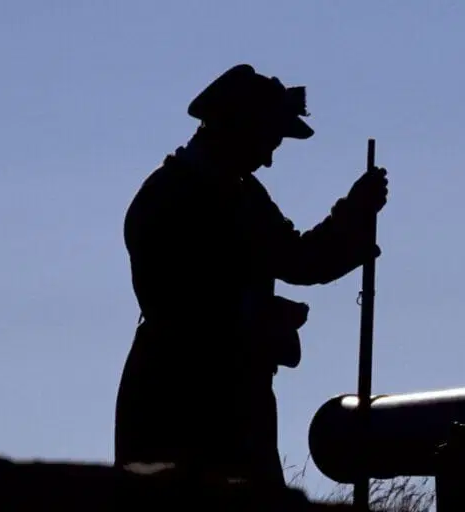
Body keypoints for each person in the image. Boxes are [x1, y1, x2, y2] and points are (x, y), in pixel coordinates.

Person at [114, 64, 388, 487]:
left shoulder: (239, 193)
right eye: (268, 141)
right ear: (238, 130)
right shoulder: (171, 198)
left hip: (233, 399)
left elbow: (298, 259)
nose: (269, 159)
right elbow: (181, 307)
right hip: (180, 398)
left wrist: (354, 213)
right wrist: (257, 315)